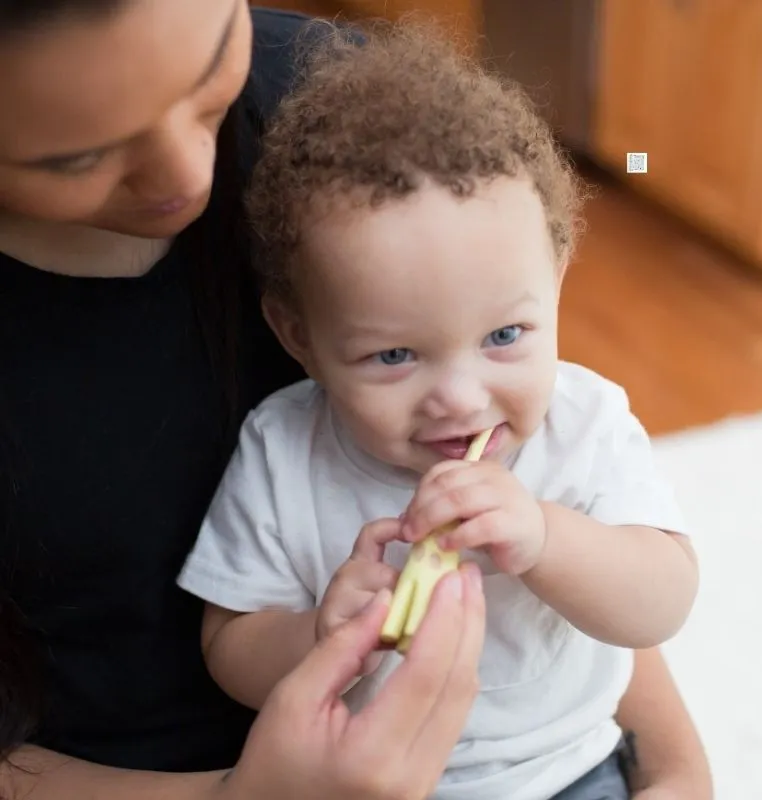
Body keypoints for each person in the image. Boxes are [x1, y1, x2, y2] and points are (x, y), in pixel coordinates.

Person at [0, 1, 712, 798]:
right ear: (298, 335)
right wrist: (318, 637)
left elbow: (660, 601)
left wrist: (548, 541)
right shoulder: (283, 444)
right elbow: (232, 640)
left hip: (571, 769)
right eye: (396, 356)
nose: (461, 398)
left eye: (505, 336)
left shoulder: (576, 418)